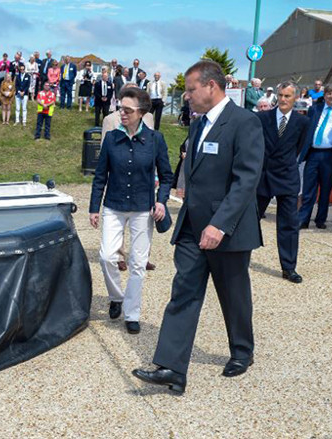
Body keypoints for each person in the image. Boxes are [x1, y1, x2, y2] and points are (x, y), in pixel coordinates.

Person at [132, 60, 264, 394]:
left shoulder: (244, 122)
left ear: (211, 86)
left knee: (232, 294)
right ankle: (172, 368)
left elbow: (246, 179)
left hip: (227, 229)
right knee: (184, 292)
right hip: (193, 226)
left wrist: (220, 224)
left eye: (191, 89)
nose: (187, 96)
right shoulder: (198, 124)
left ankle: (242, 352)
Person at [89, 86, 172, 334]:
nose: (121, 113)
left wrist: (161, 201)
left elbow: (166, 176)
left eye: (126, 109)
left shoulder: (156, 140)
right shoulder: (112, 138)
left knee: (137, 263)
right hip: (113, 206)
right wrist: (94, 208)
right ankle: (116, 297)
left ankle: (132, 312)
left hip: (142, 209)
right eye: (119, 108)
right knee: (106, 256)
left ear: (141, 112)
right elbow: (100, 176)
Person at [256, 81, 310, 284]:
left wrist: (287, 163)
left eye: (287, 96)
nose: (283, 100)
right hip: (264, 175)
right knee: (251, 218)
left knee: (288, 224)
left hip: (287, 176)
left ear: (295, 98)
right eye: (280, 95)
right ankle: (238, 257)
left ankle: (288, 267)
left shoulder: (302, 122)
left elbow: (300, 148)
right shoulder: (262, 118)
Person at [298, 84, 332, 229]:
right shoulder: (315, 109)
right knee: (308, 189)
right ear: (324, 95)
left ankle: (321, 219)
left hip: (331, 155)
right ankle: (303, 219)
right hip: (313, 153)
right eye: (329, 94)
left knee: (325, 190)